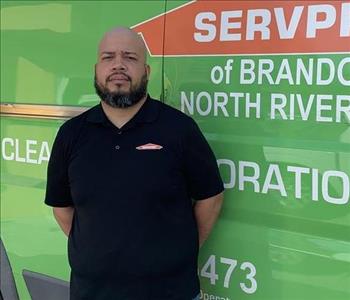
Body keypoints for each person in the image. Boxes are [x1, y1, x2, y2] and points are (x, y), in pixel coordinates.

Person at [45, 27, 224, 300]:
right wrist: (99, 252)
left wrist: (179, 252)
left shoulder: (179, 130)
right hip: (91, 293)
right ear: (96, 70)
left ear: (147, 71)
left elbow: (210, 197)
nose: (118, 64)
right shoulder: (72, 135)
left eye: (130, 57)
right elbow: (62, 208)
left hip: (171, 293)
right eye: (108, 57)